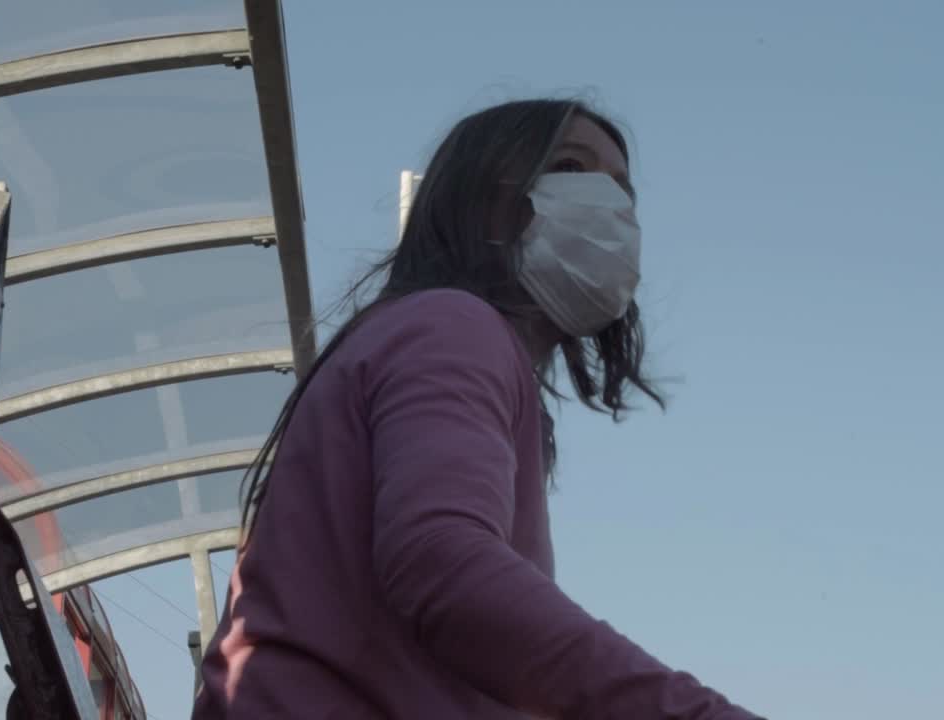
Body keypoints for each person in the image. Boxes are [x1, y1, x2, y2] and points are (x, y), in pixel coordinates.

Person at [192, 99, 762, 719]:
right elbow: (442, 566)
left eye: (623, 190)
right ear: (480, 195)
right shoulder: (453, 326)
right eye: (571, 168)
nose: (609, 203)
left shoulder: (425, 333)